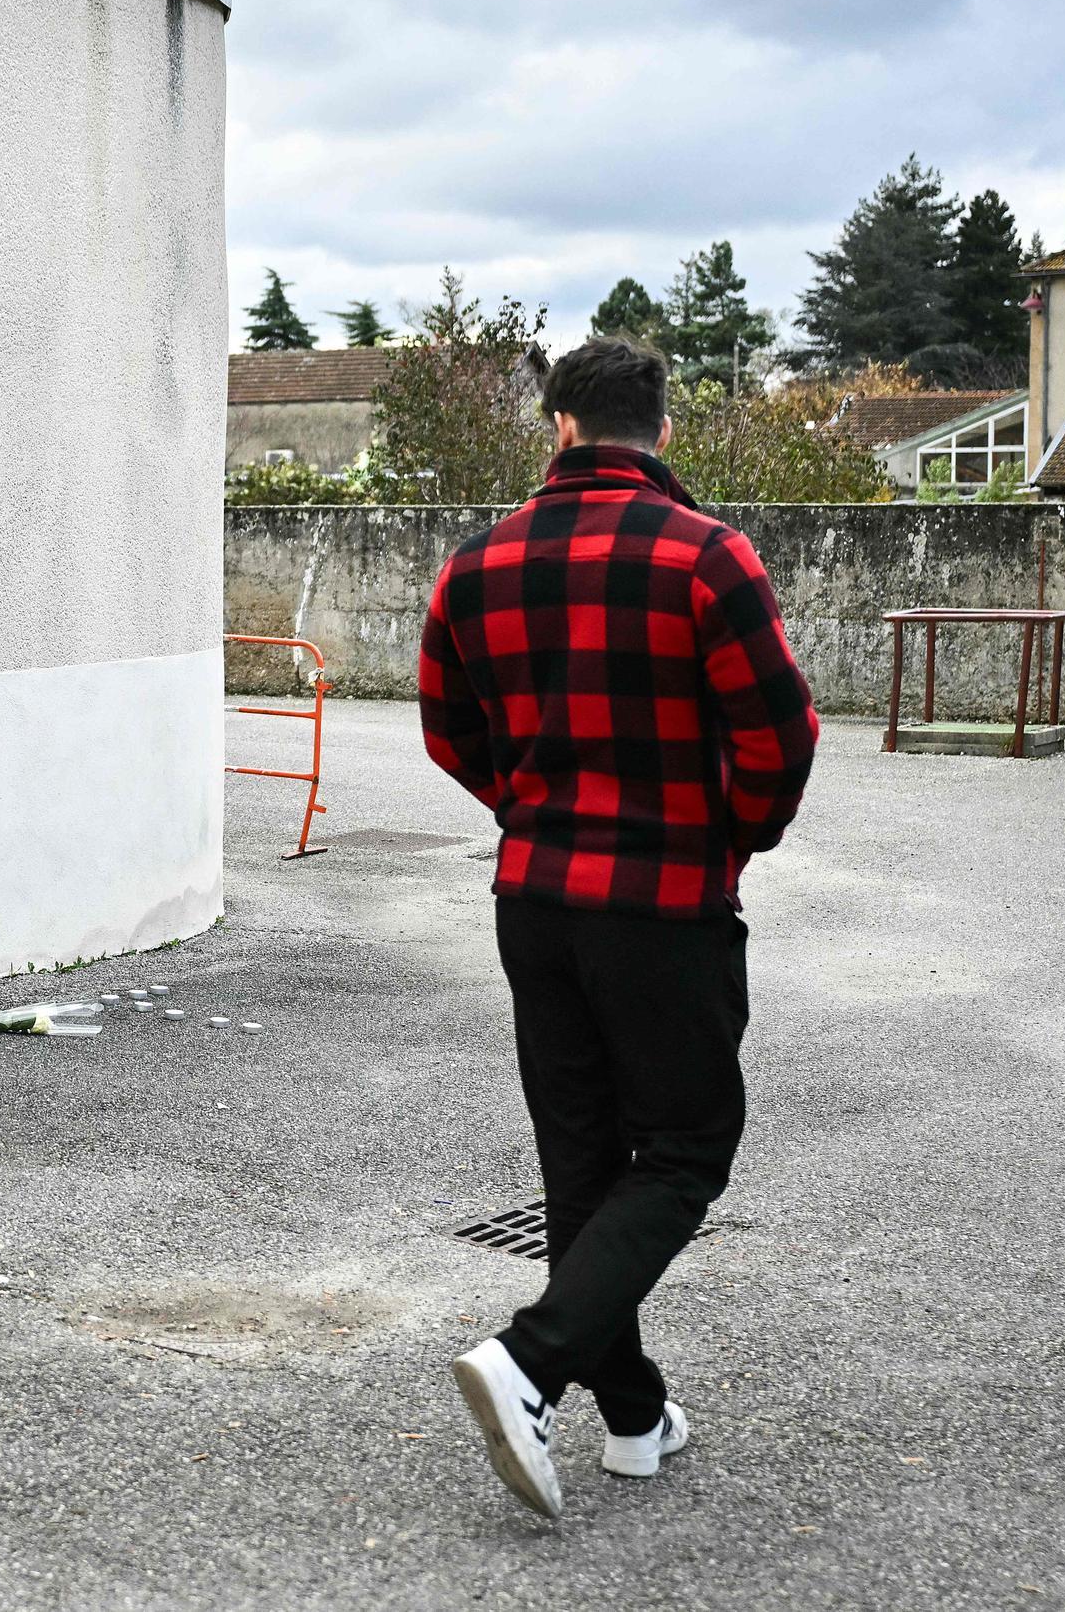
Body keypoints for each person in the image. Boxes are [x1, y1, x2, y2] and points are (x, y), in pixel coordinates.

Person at [416, 337, 818, 1519]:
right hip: (664, 905)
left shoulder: (474, 565)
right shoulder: (708, 558)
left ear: (558, 429)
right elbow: (779, 737)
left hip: (533, 900)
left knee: (582, 1164)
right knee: (687, 1148)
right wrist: (724, 837)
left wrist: (530, 809)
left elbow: (448, 729)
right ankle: (530, 1362)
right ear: (662, 431)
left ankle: (635, 1418)